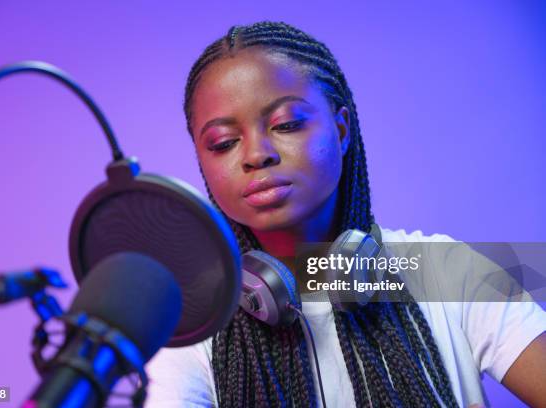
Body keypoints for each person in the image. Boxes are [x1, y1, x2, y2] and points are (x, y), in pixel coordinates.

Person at [143, 21, 546, 407]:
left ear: (341, 130)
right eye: (223, 142)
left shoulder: (445, 272)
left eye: (287, 124)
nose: (255, 154)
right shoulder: (191, 327)